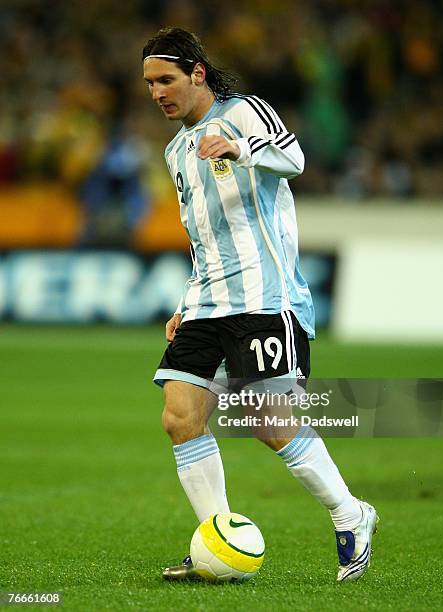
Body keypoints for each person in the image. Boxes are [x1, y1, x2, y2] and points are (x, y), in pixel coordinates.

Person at [142, 27, 377, 582]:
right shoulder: (176, 150)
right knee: (180, 417)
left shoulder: (245, 112)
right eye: (150, 83)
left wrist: (240, 149)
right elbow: (203, 237)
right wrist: (185, 301)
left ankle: (351, 514)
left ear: (197, 72)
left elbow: (295, 158)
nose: (157, 93)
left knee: (271, 423)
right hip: (207, 302)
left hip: (264, 298)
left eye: (166, 80)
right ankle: (219, 545)